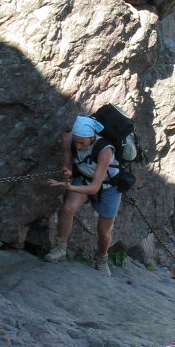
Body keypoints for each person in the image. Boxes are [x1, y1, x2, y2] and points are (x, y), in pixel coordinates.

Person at [45, 115, 122, 275]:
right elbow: (68, 165)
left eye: (82, 143)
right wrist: (67, 174)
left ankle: (102, 259)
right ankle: (60, 248)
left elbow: (95, 188)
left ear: (92, 138)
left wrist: (69, 186)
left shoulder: (105, 150)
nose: (78, 147)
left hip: (108, 185)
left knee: (104, 230)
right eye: (76, 142)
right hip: (84, 178)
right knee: (67, 209)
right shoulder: (68, 139)